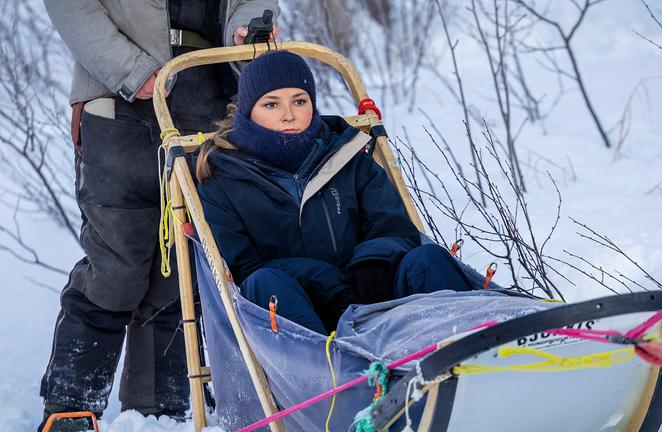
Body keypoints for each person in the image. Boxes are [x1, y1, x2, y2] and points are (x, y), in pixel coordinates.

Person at [38, 1, 280, 430]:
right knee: (117, 266)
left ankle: (159, 413)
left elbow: (249, 5)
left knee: (180, 274)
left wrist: (246, 30)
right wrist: (130, 69)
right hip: (119, 100)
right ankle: (72, 404)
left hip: (209, 99)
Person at [194, 51, 474, 335]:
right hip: (296, 324)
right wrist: (325, 282)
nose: (288, 115)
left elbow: (396, 229)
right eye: (271, 104)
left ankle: (468, 349)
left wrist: (373, 262)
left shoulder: (349, 157)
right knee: (265, 284)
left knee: (428, 259)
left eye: (299, 101)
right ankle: (331, 374)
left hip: (372, 298)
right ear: (248, 112)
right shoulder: (221, 179)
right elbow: (243, 270)